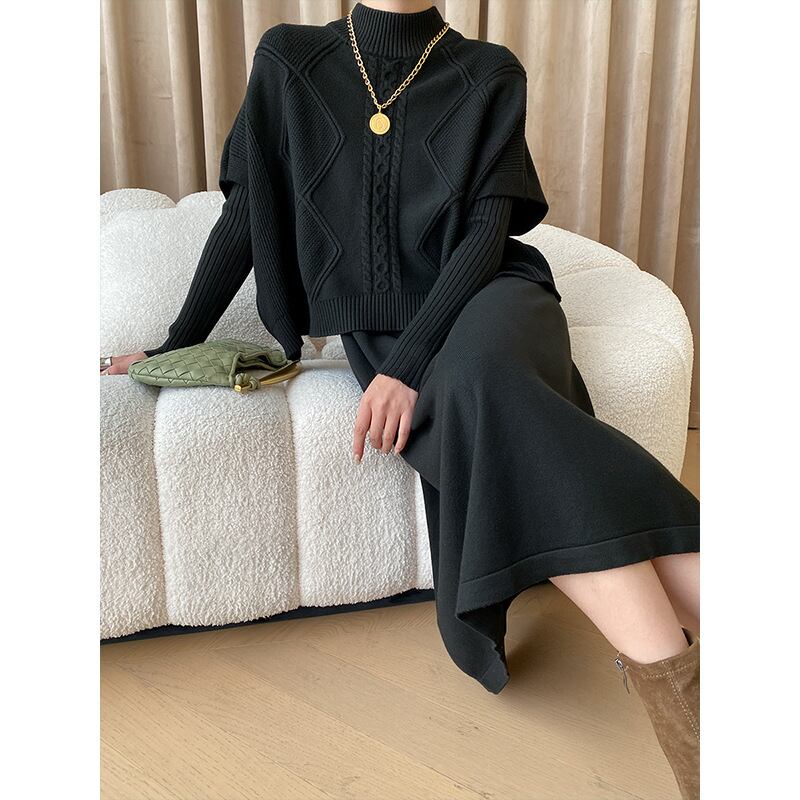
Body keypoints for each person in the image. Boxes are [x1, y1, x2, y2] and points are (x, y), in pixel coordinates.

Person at [100, 2, 700, 796]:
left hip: (493, 297)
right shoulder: (290, 60)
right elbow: (250, 215)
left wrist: (409, 365)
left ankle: (692, 731)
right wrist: (178, 341)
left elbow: (486, 235)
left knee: (487, 381)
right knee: (501, 411)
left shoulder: (487, 71)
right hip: (382, 334)